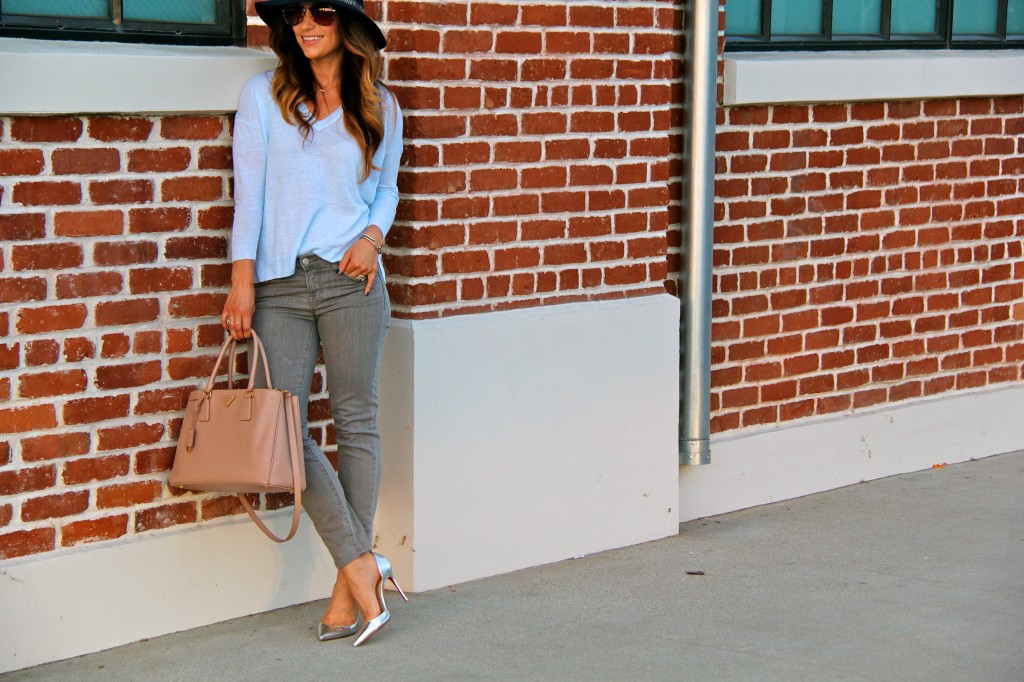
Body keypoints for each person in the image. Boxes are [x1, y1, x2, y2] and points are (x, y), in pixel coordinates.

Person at [220, 0, 406, 647]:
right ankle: (361, 563)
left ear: (345, 27)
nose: (305, 24)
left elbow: (386, 187)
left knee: (356, 421)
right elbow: (249, 193)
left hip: (353, 281)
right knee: (283, 425)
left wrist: (374, 237)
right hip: (278, 283)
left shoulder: (379, 102)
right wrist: (242, 281)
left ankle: (343, 589)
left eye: (320, 13)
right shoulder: (263, 97)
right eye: (295, 15)